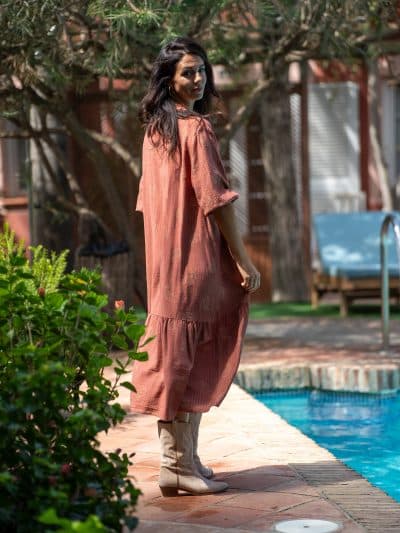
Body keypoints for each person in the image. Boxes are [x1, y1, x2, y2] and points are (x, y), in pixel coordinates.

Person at [131, 36, 260, 497]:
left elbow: (147, 203)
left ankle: (183, 460)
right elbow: (216, 200)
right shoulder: (195, 129)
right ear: (169, 79)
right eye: (188, 72)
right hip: (194, 255)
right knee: (192, 354)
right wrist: (242, 259)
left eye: (202, 70)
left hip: (164, 258)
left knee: (176, 356)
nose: (199, 79)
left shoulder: (155, 131)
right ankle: (177, 463)